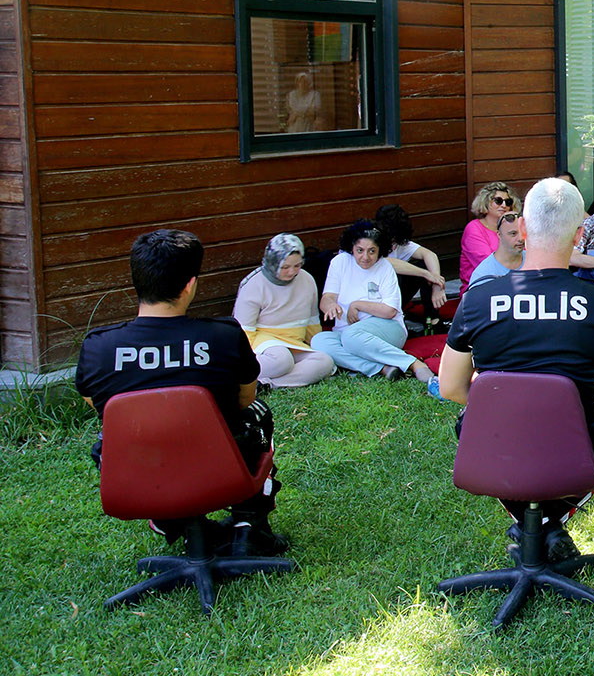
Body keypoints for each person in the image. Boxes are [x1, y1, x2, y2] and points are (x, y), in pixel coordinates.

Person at [440, 178, 594, 560]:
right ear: (580, 234)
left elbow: (450, 387)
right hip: (576, 447)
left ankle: (536, 524)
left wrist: (499, 398)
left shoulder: (477, 299)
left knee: (469, 417)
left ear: (525, 227)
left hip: (496, 442)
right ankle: (551, 522)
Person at [76, 229, 287, 555]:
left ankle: (173, 520)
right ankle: (249, 525)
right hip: (221, 473)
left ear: (137, 282)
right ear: (190, 285)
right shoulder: (225, 337)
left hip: (139, 478)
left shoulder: (97, 348)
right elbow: (245, 399)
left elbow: (103, 409)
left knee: (109, 438)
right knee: (257, 414)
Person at [311, 221, 434, 387]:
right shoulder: (340, 262)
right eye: (360, 250)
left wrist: (357, 304)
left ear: (380, 251)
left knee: (351, 337)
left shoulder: (385, 267)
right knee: (319, 341)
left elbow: (390, 311)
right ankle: (381, 368)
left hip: (388, 328)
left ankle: (413, 364)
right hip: (347, 332)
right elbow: (327, 298)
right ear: (351, 248)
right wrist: (330, 305)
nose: (365, 257)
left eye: (372, 251)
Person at [232, 233, 335, 389]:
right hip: (264, 344)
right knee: (281, 360)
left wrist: (315, 344)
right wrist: (250, 356)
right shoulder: (254, 284)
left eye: (297, 266)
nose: (291, 272)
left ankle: (267, 383)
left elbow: (312, 319)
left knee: (325, 362)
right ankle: (233, 374)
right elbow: (243, 330)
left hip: (295, 343)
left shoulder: (307, 280)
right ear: (273, 263)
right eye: (285, 267)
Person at [374, 203, 448, 324]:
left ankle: (433, 320)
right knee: (396, 274)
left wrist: (436, 282)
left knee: (426, 266)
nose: (393, 244)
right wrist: (425, 274)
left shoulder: (399, 241)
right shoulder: (371, 240)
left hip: (397, 295)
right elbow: (385, 262)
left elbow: (429, 255)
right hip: (374, 295)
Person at [459, 181, 515, 294]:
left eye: (508, 202)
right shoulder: (474, 228)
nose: (504, 205)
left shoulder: (513, 227)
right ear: (485, 201)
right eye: (498, 201)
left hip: (511, 283)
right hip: (480, 288)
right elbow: (487, 265)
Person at [469, 211, 524, 287]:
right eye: (513, 234)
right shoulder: (484, 274)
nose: (521, 238)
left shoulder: (535, 261)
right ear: (499, 235)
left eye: (523, 232)